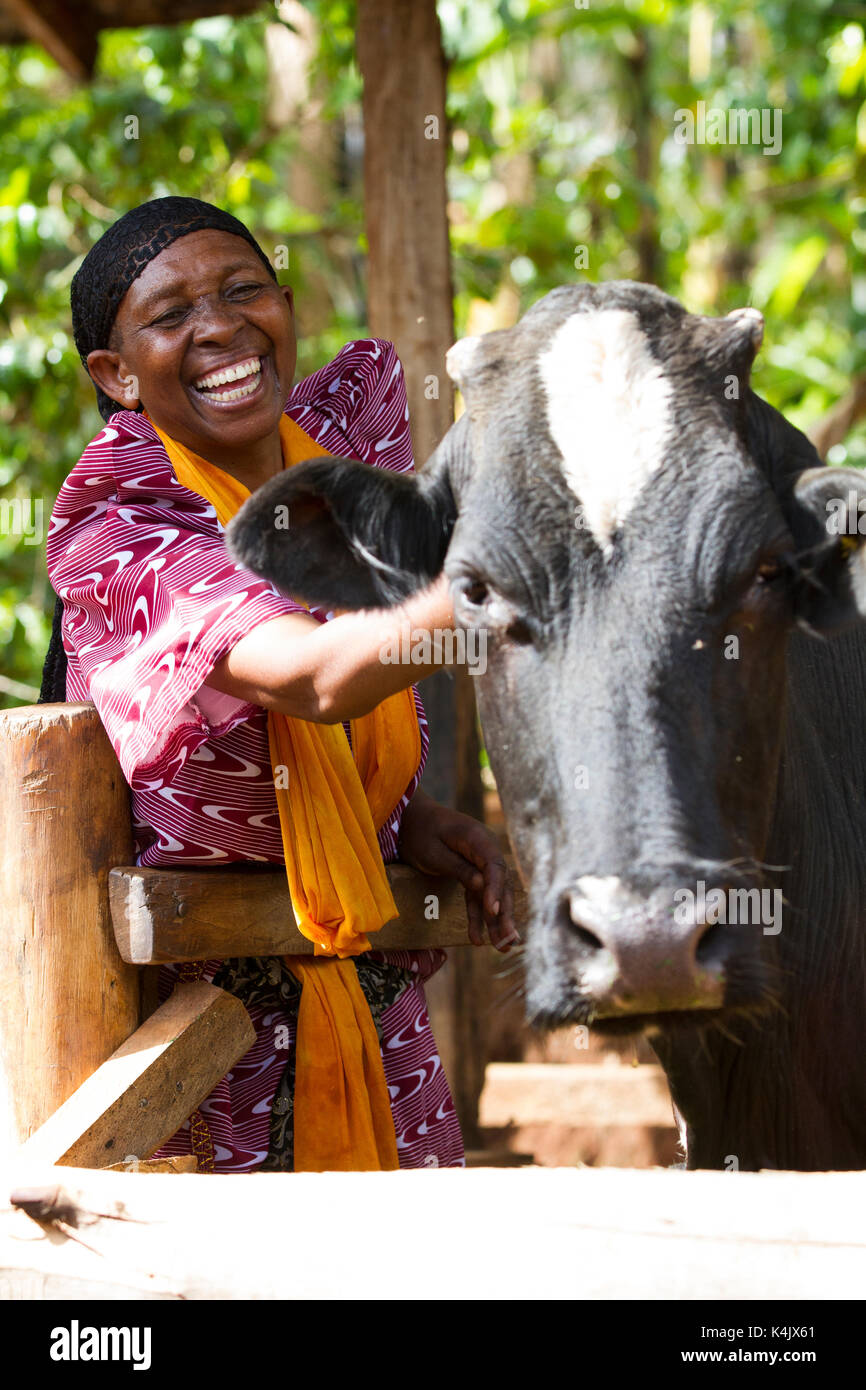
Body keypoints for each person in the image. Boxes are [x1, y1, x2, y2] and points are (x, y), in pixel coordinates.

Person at [40, 196, 517, 1173]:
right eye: (169, 316)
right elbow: (313, 677)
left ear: (285, 306)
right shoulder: (123, 525)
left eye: (241, 290)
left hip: (380, 1033)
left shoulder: (340, 462)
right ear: (116, 373)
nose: (218, 325)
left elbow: (300, 732)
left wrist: (396, 816)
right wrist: (522, 563)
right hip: (188, 1067)